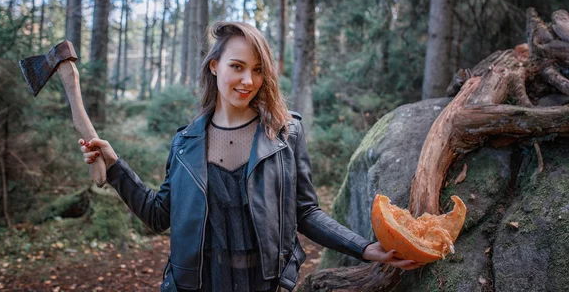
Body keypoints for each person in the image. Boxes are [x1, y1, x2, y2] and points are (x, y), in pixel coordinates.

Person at [78, 22, 419, 292]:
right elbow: (158, 215)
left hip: (264, 284)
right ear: (214, 66)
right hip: (198, 286)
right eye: (237, 66)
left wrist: (363, 248)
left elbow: (306, 211)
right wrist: (114, 166)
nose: (248, 80)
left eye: (257, 70)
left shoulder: (285, 135)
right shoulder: (185, 143)